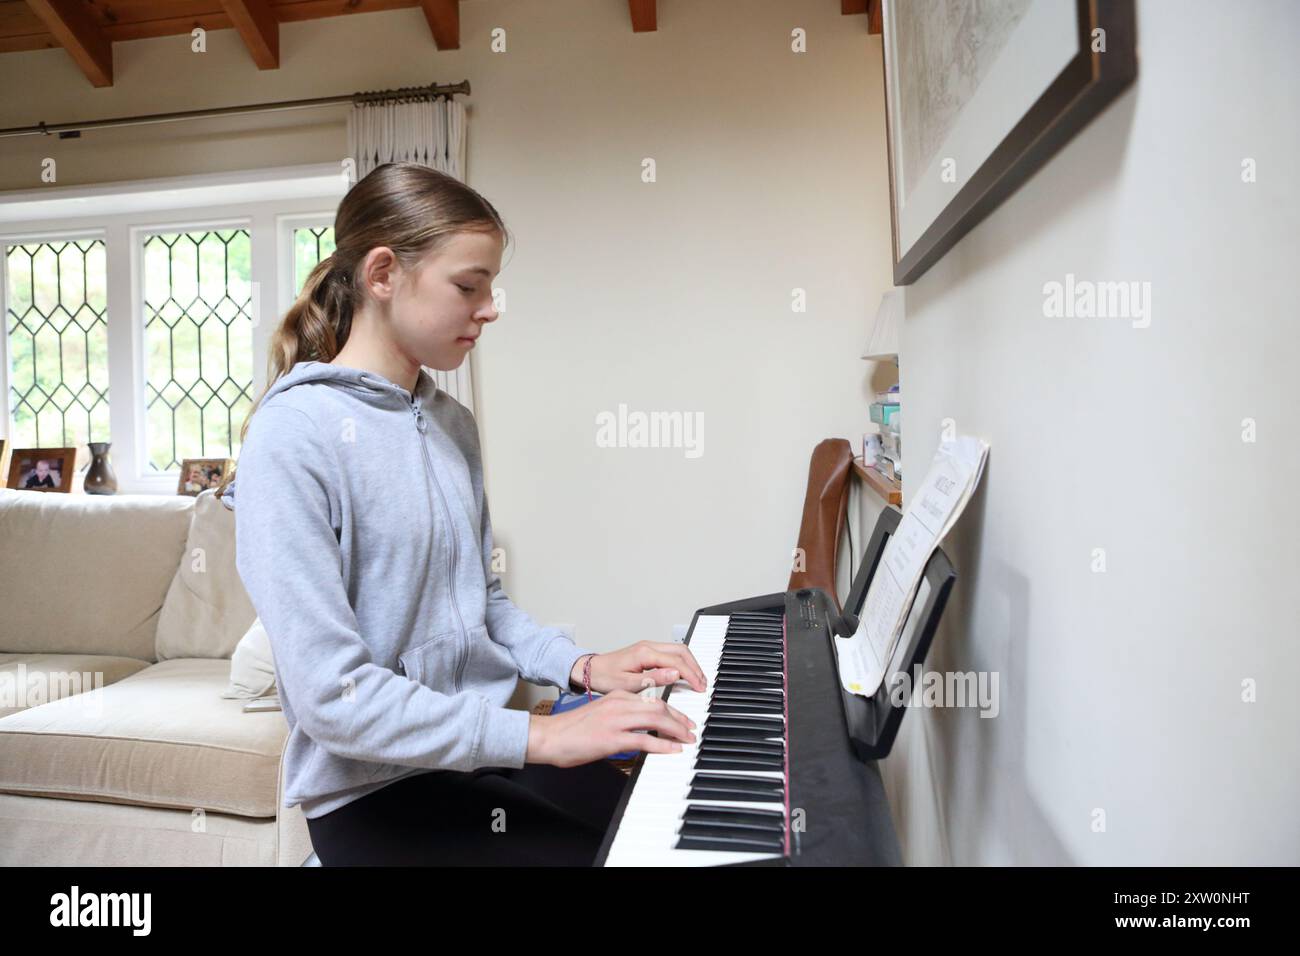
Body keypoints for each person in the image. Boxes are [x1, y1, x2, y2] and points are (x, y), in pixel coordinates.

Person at [216, 162, 705, 866]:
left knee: (659, 823)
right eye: (468, 285)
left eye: (491, 287)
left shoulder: (452, 423)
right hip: (377, 795)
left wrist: (584, 667)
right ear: (383, 274)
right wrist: (544, 738)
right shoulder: (294, 434)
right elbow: (333, 697)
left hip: (478, 759)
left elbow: (486, 604)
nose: (490, 307)